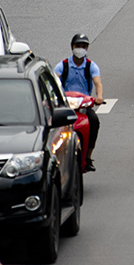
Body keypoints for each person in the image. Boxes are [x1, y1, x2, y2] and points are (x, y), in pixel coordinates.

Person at [55, 34, 103, 172]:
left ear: (87, 48)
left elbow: (98, 83)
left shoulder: (91, 66)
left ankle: (88, 157)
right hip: (65, 105)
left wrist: (99, 97)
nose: (80, 49)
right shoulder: (62, 65)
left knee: (94, 121)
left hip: (83, 105)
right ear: (72, 47)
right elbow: (54, 81)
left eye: (83, 46)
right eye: (78, 46)